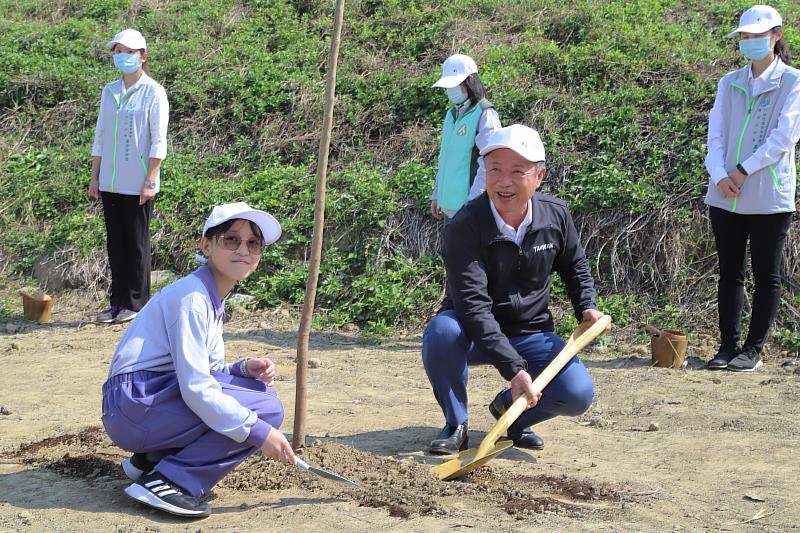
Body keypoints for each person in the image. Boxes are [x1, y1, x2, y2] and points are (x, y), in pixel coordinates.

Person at [101, 202, 295, 517]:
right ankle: (171, 480)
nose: (243, 249)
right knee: (267, 409)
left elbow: (208, 372)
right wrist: (260, 432)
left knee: (256, 392)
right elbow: (196, 386)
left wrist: (241, 369)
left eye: (253, 243)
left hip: (140, 404)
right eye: (231, 239)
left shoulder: (208, 295)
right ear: (206, 245)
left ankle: (153, 460)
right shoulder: (193, 298)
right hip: (136, 404)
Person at [421, 124, 604, 455]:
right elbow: (473, 306)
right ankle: (456, 423)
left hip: (531, 331)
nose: (504, 182)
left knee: (576, 394)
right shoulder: (464, 226)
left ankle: (511, 416)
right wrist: (515, 369)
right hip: (473, 331)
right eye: (495, 170)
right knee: (441, 331)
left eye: (517, 171)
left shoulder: (556, 215)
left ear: (539, 176)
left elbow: (575, 265)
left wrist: (586, 306)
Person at [704, 4, 798, 372]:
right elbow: (715, 135)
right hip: (724, 192)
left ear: (776, 36)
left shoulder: (793, 81)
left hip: (768, 196)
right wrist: (720, 175)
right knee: (730, 272)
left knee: (766, 274)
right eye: (745, 36)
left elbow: (784, 137)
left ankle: (752, 349)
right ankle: (727, 345)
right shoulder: (729, 82)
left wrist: (742, 171)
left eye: (758, 36)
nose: (751, 42)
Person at [89, 28, 169, 324]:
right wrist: (95, 176)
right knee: (116, 243)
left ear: (142, 56)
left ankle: (136, 304)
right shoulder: (108, 91)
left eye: (129, 52)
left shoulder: (153, 92)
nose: (122, 57)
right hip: (110, 181)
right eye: (118, 52)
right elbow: (100, 136)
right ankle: (116, 302)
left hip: (138, 183)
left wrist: (151, 179)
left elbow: (158, 140)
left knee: (136, 243)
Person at [430, 53, 501, 220]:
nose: (450, 91)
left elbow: (490, 163)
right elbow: (445, 158)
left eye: (454, 85)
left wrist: (473, 204)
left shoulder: (485, 114)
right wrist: (437, 195)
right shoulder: (451, 115)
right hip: (449, 208)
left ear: (469, 82)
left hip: (470, 210)